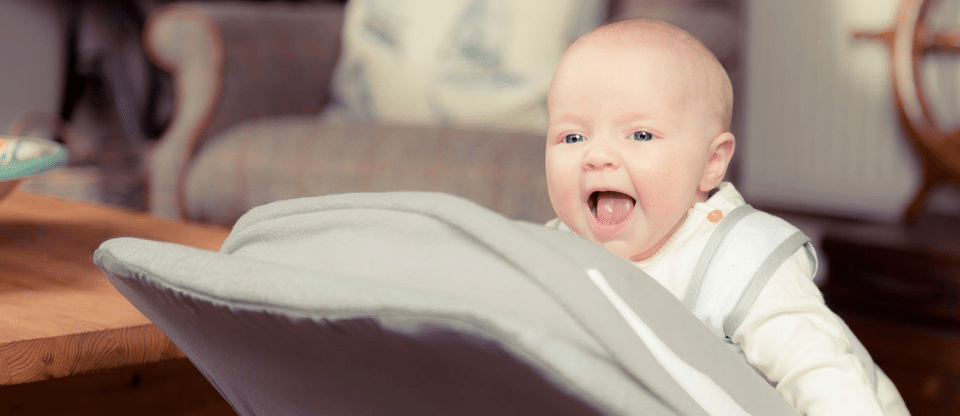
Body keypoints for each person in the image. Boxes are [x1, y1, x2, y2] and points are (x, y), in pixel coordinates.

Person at [544, 19, 908, 415]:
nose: (597, 157)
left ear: (711, 163)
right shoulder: (556, 249)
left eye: (641, 135)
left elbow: (823, 374)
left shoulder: (740, 259)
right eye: (573, 137)